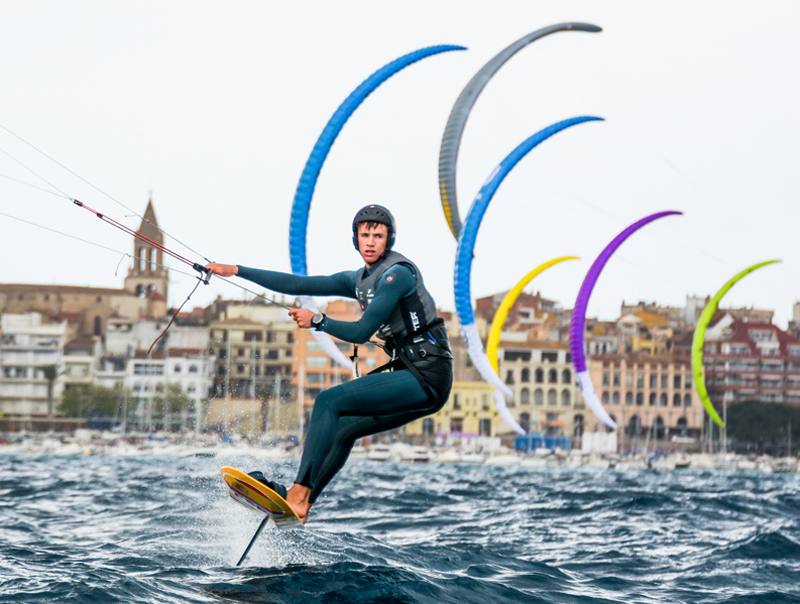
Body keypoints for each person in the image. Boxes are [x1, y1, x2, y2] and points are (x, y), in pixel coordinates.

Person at [206, 204, 453, 523]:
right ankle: (303, 502)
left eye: (378, 236)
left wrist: (318, 321)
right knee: (344, 430)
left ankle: (297, 493)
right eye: (365, 235)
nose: (371, 241)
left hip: (427, 373)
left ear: (389, 240)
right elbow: (298, 285)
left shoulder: (397, 274)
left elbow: (362, 332)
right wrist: (237, 270)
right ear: (356, 239)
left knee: (327, 401)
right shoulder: (359, 279)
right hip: (412, 371)